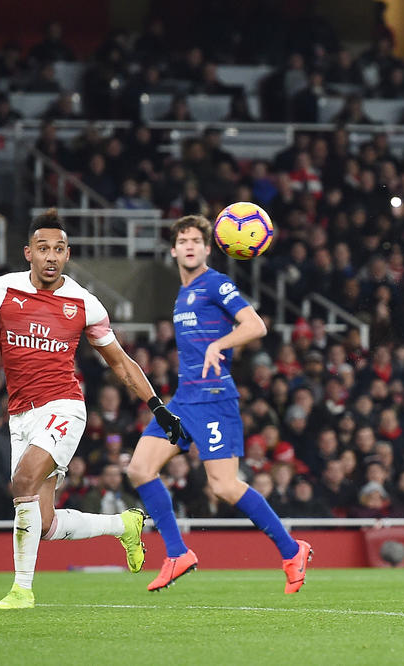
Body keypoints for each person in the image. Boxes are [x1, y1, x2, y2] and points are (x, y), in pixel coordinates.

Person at [0, 209, 184, 609]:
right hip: (20, 416)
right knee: (43, 523)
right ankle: (124, 524)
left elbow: (120, 363)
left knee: (23, 481)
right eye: (43, 248)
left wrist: (157, 406)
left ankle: (21, 590)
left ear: (67, 254)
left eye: (59, 249)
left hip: (64, 406)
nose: (51, 256)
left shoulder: (84, 302)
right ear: (28, 252)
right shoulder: (2, 290)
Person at [126, 215, 312, 593]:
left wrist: (219, 344)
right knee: (140, 469)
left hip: (213, 400)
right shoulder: (183, 292)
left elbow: (255, 325)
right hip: (183, 400)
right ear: (174, 249)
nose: (190, 245)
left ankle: (292, 549)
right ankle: (177, 552)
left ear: (209, 248)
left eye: (197, 239)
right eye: (183, 240)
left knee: (225, 487)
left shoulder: (216, 283)